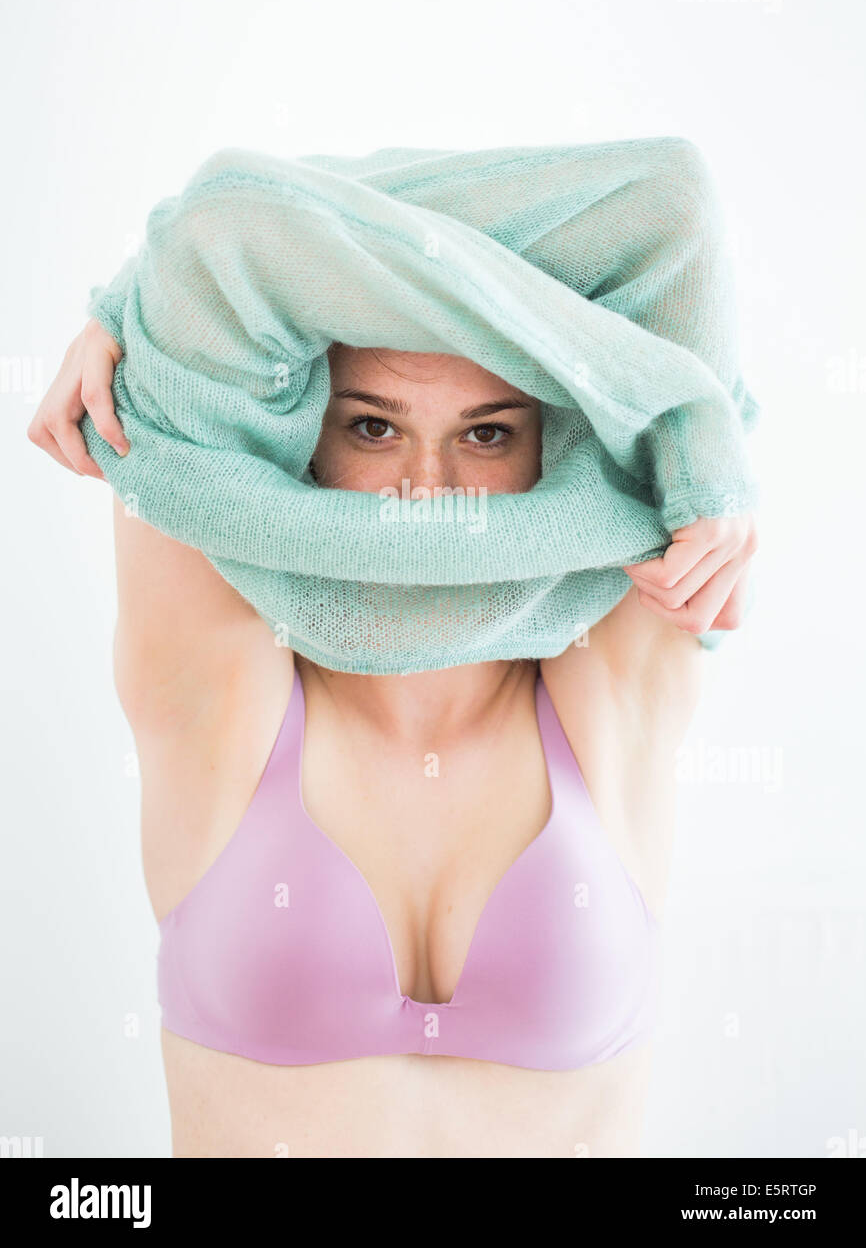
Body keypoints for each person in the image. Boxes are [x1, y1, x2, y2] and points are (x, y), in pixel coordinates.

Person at [28, 314, 757, 1159]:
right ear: (309, 443)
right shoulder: (220, 691)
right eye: (374, 427)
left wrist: (715, 471)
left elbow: (669, 252)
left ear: (546, 455)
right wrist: (127, 320)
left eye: (487, 434)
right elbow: (201, 292)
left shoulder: (610, 691)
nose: (427, 490)